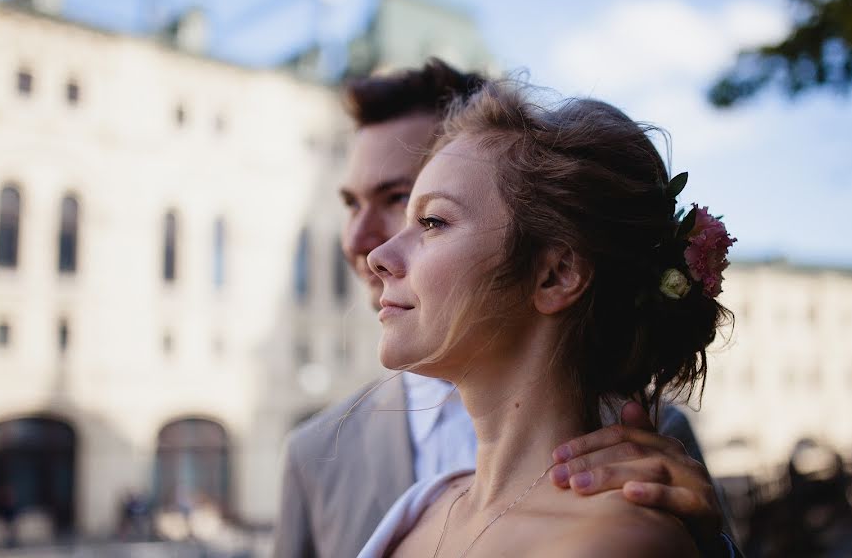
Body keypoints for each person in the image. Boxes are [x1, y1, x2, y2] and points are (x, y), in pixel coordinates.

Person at [273, 60, 739, 558]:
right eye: (352, 205)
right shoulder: (424, 506)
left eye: (429, 220)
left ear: (556, 274)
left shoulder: (633, 512)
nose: (373, 252)